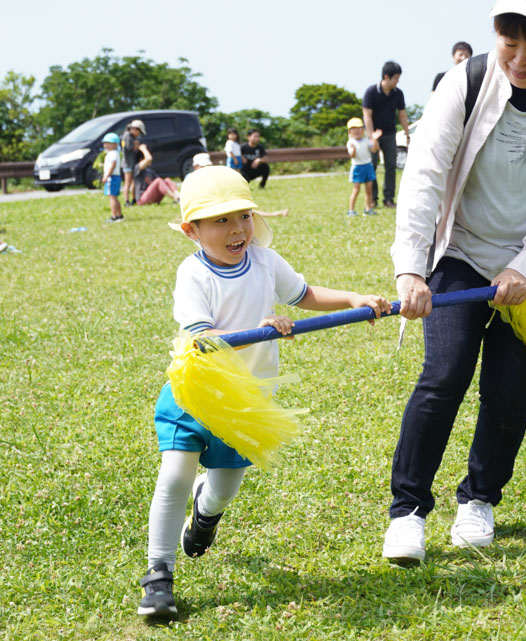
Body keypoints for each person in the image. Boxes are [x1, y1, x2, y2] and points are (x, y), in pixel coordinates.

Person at [383, 0, 526, 565]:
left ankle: (479, 499)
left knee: (509, 388)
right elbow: (424, 175)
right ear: (495, 33)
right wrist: (411, 267)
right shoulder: (467, 81)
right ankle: (407, 511)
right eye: (511, 41)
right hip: (461, 251)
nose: (522, 58)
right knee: (443, 374)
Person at [138, 166, 390, 619]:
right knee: (175, 475)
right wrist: (259, 331)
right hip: (194, 392)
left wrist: (353, 298)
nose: (237, 229)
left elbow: (304, 294)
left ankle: (206, 513)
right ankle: (159, 575)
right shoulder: (192, 273)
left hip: (246, 404)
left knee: (223, 488)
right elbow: (204, 336)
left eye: (243, 216)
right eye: (221, 221)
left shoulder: (265, 261)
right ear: (191, 230)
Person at [363, 61, 410, 208]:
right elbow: (367, 116)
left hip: (390, 134)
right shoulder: (371, 92)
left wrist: (407, 134)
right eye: (396, 78)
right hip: (373, 134)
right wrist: (372, 137)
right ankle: (373, 199)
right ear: (386, 77)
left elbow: (402, 115)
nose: (397, 81)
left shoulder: (398, 94)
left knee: (391, 166)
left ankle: (388, 199)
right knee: (372, 166)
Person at [345, 117, 382, 216]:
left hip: (368, 166)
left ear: (362, 130)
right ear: (349, 131)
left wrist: (374, 139)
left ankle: (368, 209)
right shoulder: (351, 143)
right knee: (356, 190)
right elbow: (352, 155)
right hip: (357, 168)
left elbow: (374, 150)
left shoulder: (366, 140)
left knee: (369, 190)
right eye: (354, 128)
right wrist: (353, 150)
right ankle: (351, 210)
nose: (357, 131)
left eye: (359, 128)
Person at [122, 119, 146, 206]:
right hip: (128, 163)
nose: (139, 134)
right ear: (135, 129)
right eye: (139, 132)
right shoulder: (127, 136)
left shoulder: (133, 136)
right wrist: (136, 145)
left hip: (132, 163)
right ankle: (127, 201)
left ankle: (134, 199)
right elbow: (129, 148)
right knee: (128, 183)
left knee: (133, 183)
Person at [101, 132, 124, 223]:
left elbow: (113, 165)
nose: (106, 145)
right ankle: (119, 215)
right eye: (105, 143)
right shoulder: (114, 153)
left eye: (108, 143)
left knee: (112, 197)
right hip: (115, 177)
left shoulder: (113, 154)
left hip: (112, 177)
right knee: (114, 197)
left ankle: (114, 216)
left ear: (115, 144)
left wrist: (106, 176)